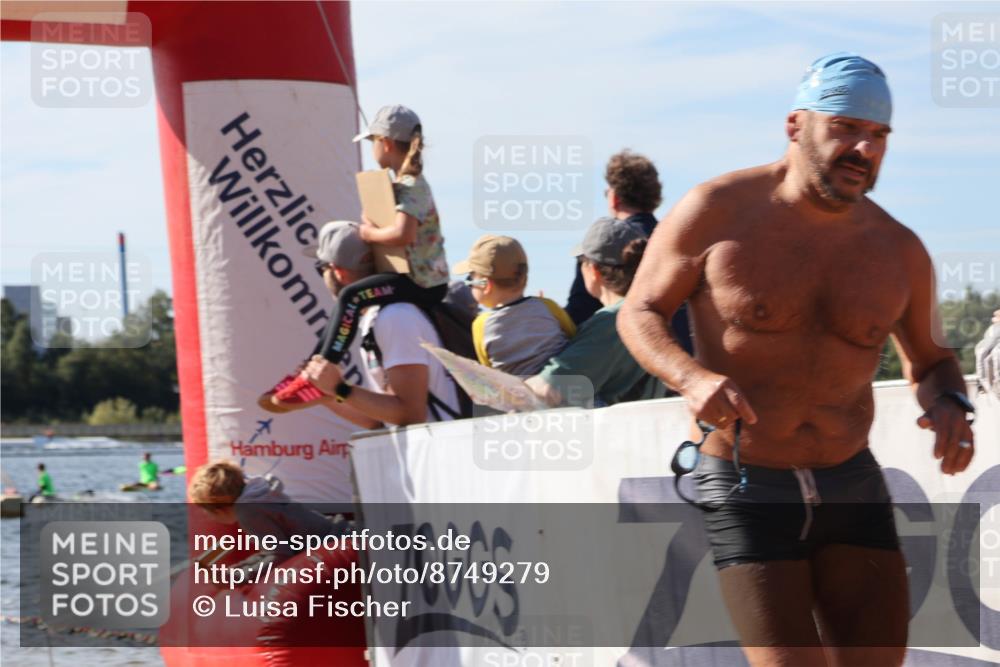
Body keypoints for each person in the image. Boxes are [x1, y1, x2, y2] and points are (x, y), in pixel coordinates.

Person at [618, 52, 976, 666]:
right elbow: (639, 311)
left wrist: (949, 402)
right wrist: (691, 376)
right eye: (845, 128)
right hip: (748, 482)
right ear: (795, 126)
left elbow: (932, 361)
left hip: (851, 481)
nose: (864, 148)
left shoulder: (898, 250)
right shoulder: (717, 211)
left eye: (879, 136)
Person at [275, 104, 449, 403]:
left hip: (423, 285)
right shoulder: (398, 183)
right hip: (412, 278)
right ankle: (313, 367)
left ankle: (322, 368)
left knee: (350, 296)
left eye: (372, 143)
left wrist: (368, 233)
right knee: (350, 301)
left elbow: (402, 234)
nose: (372, 151)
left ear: (386, 143)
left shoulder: (411, 184)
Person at [274, 220, 461, 426]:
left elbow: (411, 414)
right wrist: (328, 393)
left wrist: (341, 389)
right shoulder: (377, 317)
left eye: (322, 269)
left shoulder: (395, 317)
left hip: (441, 452)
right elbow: (380, 420)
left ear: (338, 271)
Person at [563, 150, 694, 357]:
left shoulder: (600, 248)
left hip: (633, 364)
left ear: (614, 197)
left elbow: (577, 316)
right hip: (686, 361)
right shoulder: (683, 243)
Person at [525, 217, 666, 408]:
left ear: (594, 270)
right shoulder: (653, 310)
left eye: (581, 262)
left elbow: (548, 389)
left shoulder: (613, 321)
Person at [188, 460, 350, 576]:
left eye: (206, 511)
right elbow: (272, 551)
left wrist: (236, 577)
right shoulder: (258, 496)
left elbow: (280, 555)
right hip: (343, 534)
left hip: (337, 545)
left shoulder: (248, 510)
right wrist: (236, 571)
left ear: (218, 508)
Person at [454, 234, 575, 376]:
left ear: (486, 285)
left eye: (470, 279)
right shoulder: (548, 307)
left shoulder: (481, 325)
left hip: (519, 397)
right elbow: (574, 338)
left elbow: (489, 373)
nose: (469, 284)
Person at [975, 309, 1000, 401]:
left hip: (994, 352)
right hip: (991, 352)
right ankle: (983, 384)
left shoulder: (994, 329)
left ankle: (982, 383)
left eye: (995, 317)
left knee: (987, 357)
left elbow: (989, 344)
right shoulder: (993, 329)